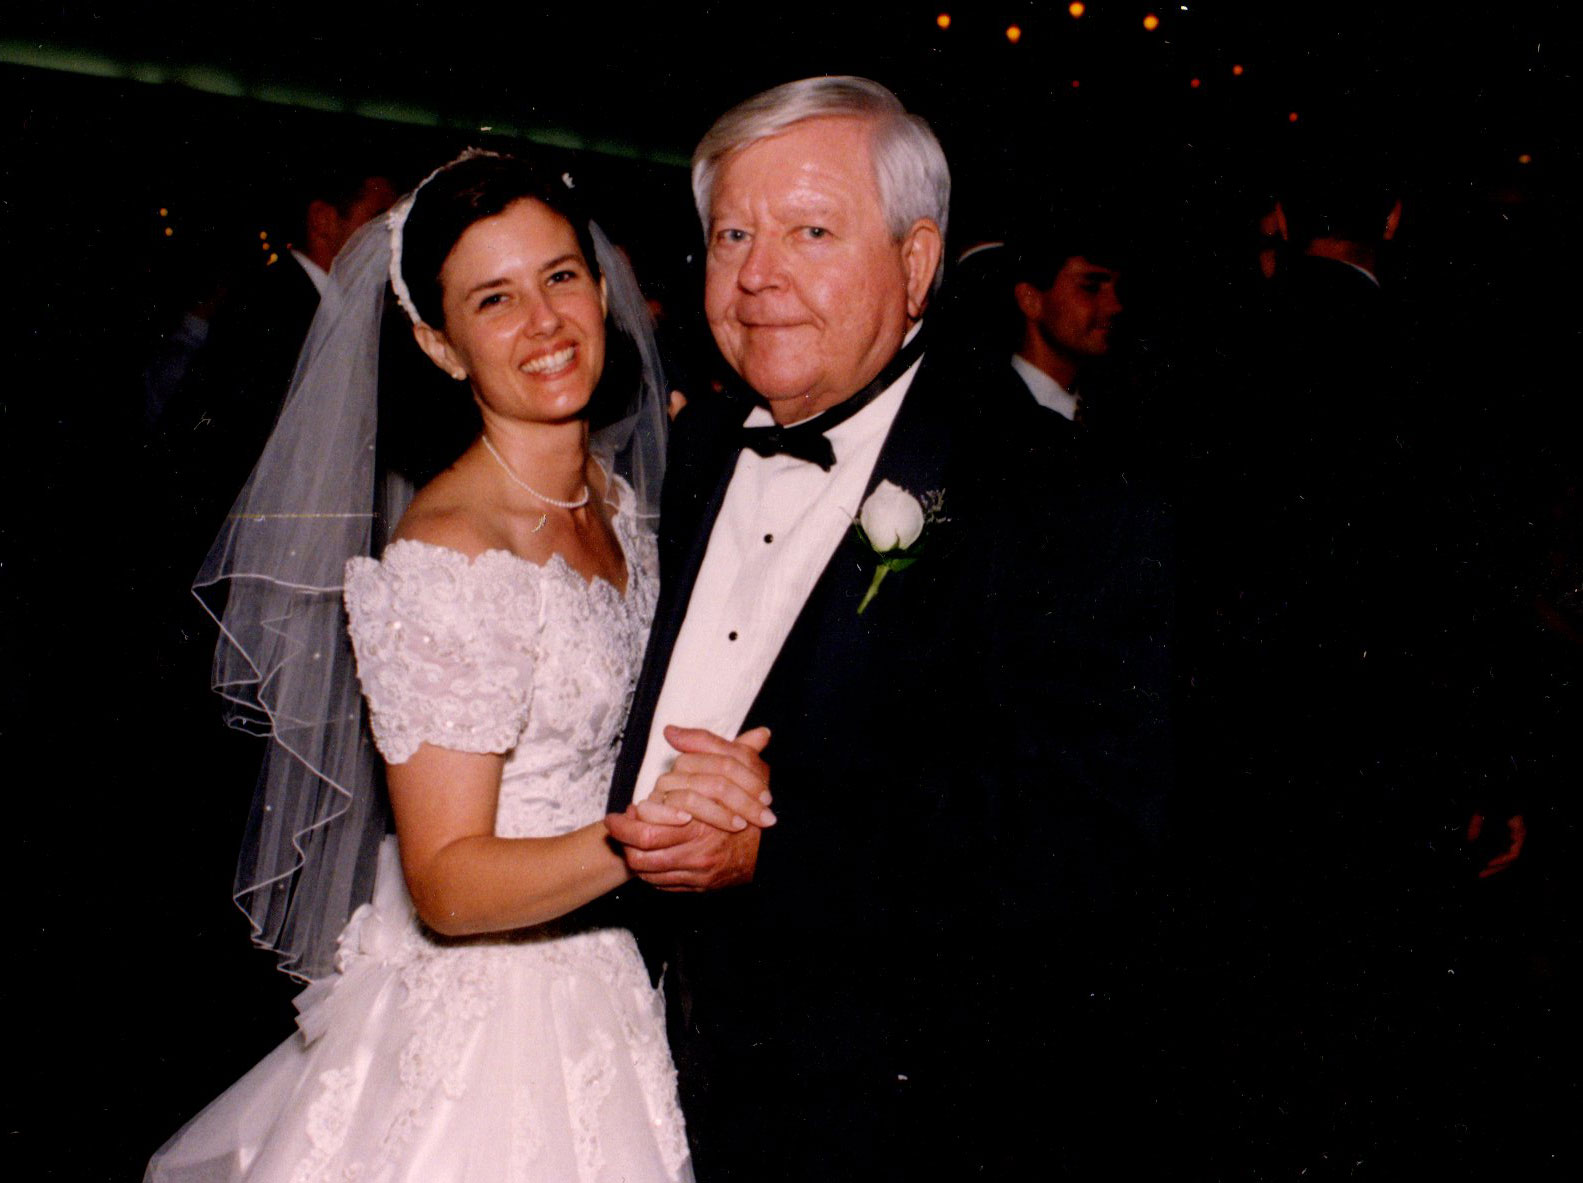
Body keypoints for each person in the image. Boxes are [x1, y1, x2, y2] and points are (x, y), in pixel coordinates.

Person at [146, 151, 773, 1182]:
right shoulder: (449, 554)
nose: (543, 323)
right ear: (441, 345)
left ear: (603, 290)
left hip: (614, 980)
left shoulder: (618, 502)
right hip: (494, 1025)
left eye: (559, 277)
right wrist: (653, 838)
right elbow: (445, 880)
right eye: (494, 299)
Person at [604, 77, 1173, 1179]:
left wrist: (777, 849)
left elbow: (1088, 836)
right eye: (731, 234)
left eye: (809, 231)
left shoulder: (1056, 495)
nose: (756, 275)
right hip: (625, 1069)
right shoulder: (682, 458)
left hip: (874, 1113)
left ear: (917, 265)